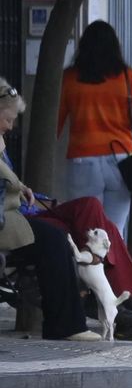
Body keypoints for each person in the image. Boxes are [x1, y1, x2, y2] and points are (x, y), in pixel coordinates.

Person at [0, 80, 98, 341]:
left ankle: (71, 322)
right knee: (53, 240)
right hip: (4, 221)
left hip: (11, 215)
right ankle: (66, 326)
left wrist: (21, 188)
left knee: (58, 235)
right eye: (7, 119)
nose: (10, 127)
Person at [56, 20, 132, 236]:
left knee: (86, 231)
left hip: (82, 162)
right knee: (114, 232)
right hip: (121, 161)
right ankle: (114, 269)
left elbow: (53, 124)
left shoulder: (69, 79)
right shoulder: (128, 77)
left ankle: (90, 269)